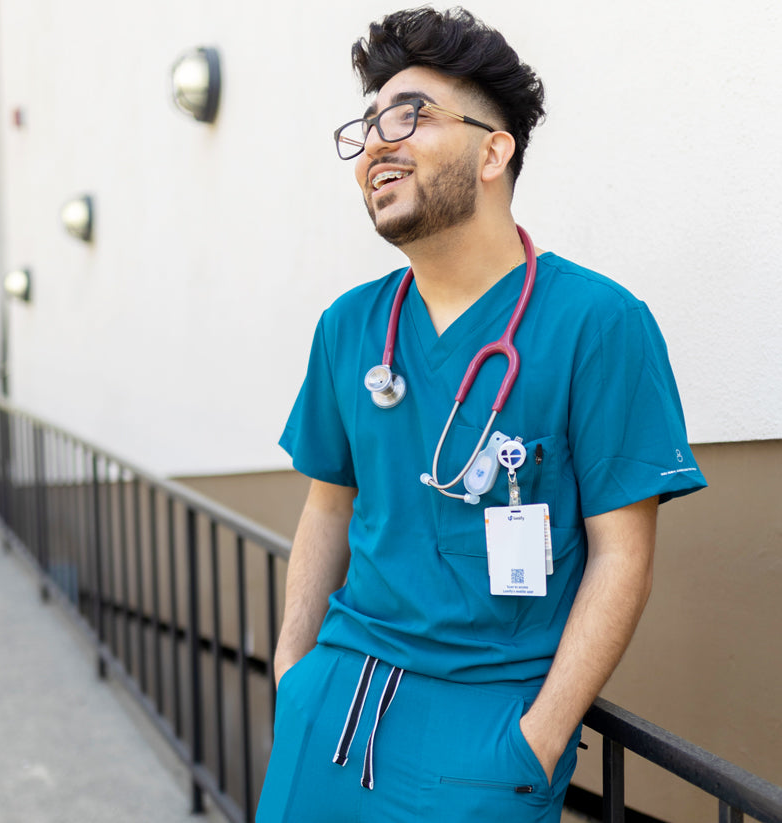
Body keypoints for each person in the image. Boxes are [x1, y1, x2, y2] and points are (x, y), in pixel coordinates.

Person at [256, 7, 707, 822]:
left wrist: (538, 735)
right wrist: (293, 672)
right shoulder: (350, 326)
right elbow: (327, 506)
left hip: (485, 733)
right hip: (329, 707)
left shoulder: (595, 323)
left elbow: (620, 552)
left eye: (410, 114)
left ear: (493, 150)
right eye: (365, 126)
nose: (377, 143)